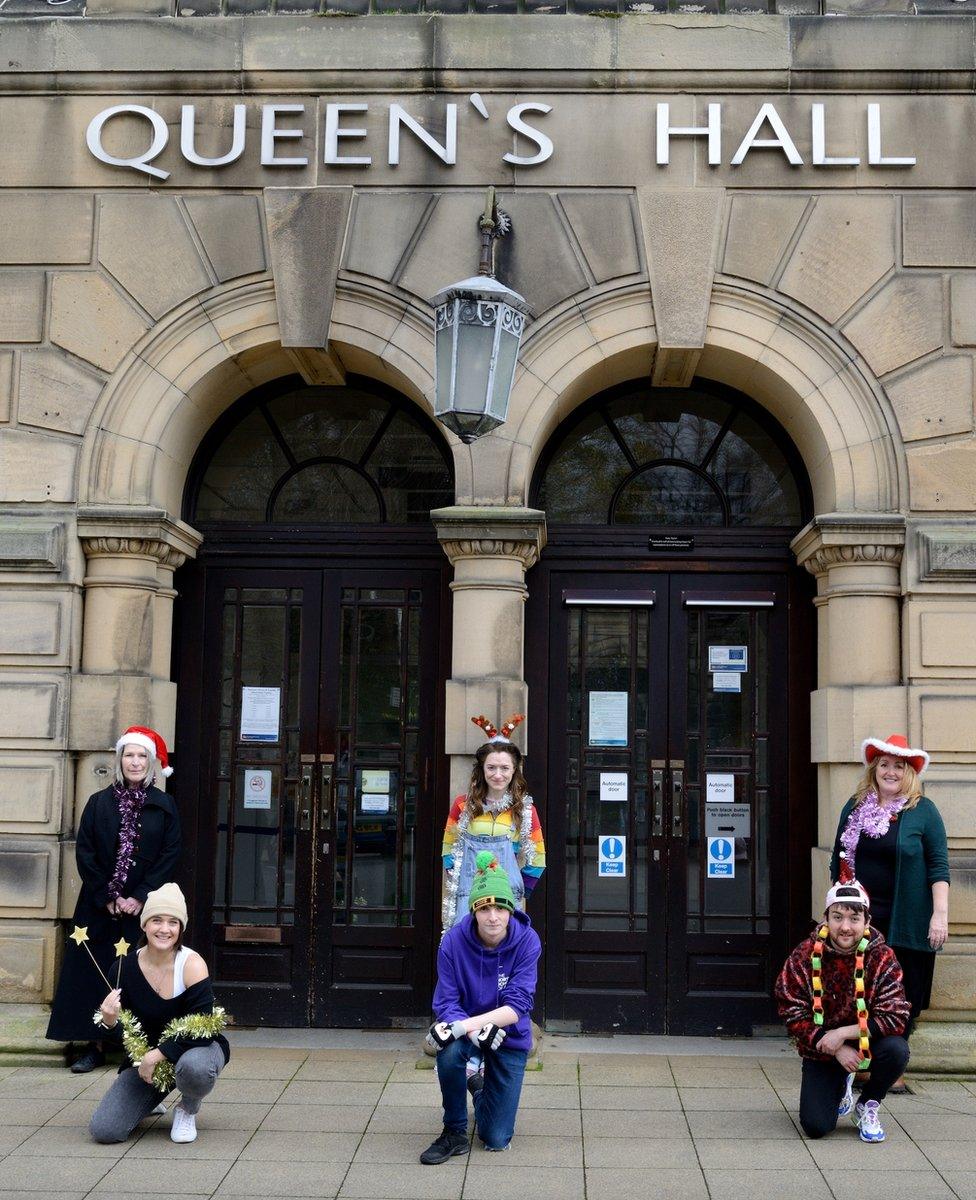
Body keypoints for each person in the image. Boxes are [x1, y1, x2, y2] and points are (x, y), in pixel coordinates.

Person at [46, 726, 182, 1073]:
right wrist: (106, 893)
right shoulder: (98, 803)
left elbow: (169, 854)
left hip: (143, 908)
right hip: (99, 906)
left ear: (151, 763)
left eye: (141, 756)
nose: (135, 762)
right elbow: (86, 851)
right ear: (119, 760)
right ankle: (94, 1045)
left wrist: (139, 896)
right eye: (129, 755)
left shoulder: (164, 806)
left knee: (140, 974)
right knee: (95, 971)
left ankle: (136, 1045)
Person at [830, 735, 949, 1063]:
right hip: (861, 920)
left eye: (899, 766)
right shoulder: (855, 807)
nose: (891, 772)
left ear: (909, 772)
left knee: (901, 993)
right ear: (875, 769)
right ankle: (859, 1061)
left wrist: (939, 915)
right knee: (859, 990)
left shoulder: (923, 811)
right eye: (884, 764)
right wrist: (838, 913)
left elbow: (938, 866)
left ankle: (893, 1063)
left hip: (907, 919)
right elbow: (837, 859)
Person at [420, 851, 541, 1165]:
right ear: (473, 910)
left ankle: (476, 1082)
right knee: (448, 1052)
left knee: (496, 1138)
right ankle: (454, 1130)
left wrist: (464, 1026)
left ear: (510, 910)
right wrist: (470, 1033)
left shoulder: (528, 941)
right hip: (469, 1031)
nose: (493, 917)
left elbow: (518, 1005)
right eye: (485, 908)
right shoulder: (453, 943)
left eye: (500, 907)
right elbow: (446, 1001)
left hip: (508, 1036)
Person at [89, 883, 230, 1145]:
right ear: (144, 925)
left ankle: (187, 1109)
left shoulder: (191, 964)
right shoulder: (123, 969)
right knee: (105, 1130)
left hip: (197, 1049)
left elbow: (203, 1028)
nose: (164, 929)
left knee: (195, 1068)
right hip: (148, 1062)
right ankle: (149, 1100)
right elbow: (124, 1031)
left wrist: (158, 1053)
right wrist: (108, 1020)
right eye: (156, 920)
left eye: (173, 922)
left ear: (181, 928)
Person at [775, 881, 910, 1143]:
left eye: (854, 918)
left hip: (867, 1042)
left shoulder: (882, 957)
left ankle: (868, 1103)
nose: (845, 927)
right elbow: (790, 1008)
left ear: (867, 921)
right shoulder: (804, 955)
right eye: (837, 917)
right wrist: (835, 1046)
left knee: (897, 1050)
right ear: (825, 918)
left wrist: (843, 1034)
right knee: (816, 1126)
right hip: (823, 1046)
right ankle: (840, 1084)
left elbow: (896, 1015)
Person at [441, 713, 546, 930]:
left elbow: (538, 859)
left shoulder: (525, 811)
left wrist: (518, 887)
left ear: (514, 770)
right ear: (482, 769)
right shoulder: (463, 806)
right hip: (467, 898)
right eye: (491, 767)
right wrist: (460, 882)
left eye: (504, 768)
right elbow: (448, 849)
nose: (498, 774)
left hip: (505, 901)